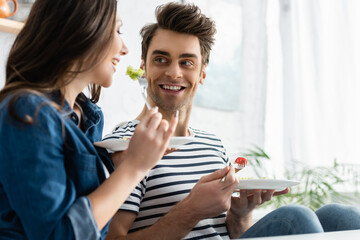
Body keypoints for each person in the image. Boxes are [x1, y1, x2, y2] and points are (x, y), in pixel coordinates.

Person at [104, 2, 360, 240]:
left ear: (202, 73)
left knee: (341, 216)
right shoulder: (124, 145)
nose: (174, 72)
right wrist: (191, 210)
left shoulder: (213, 144)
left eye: (187, 62)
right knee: (296, 218)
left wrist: (239, 215)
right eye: (161, 59)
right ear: (144, 66)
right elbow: (112, 238)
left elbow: (235, 233)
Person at [0, 0, 178, 239]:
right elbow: (58, 234)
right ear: (83, 29)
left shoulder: (89, 116)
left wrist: (116, 163)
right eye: (117, 31)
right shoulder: (27, 111)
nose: (124, 49)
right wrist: (135, 167)